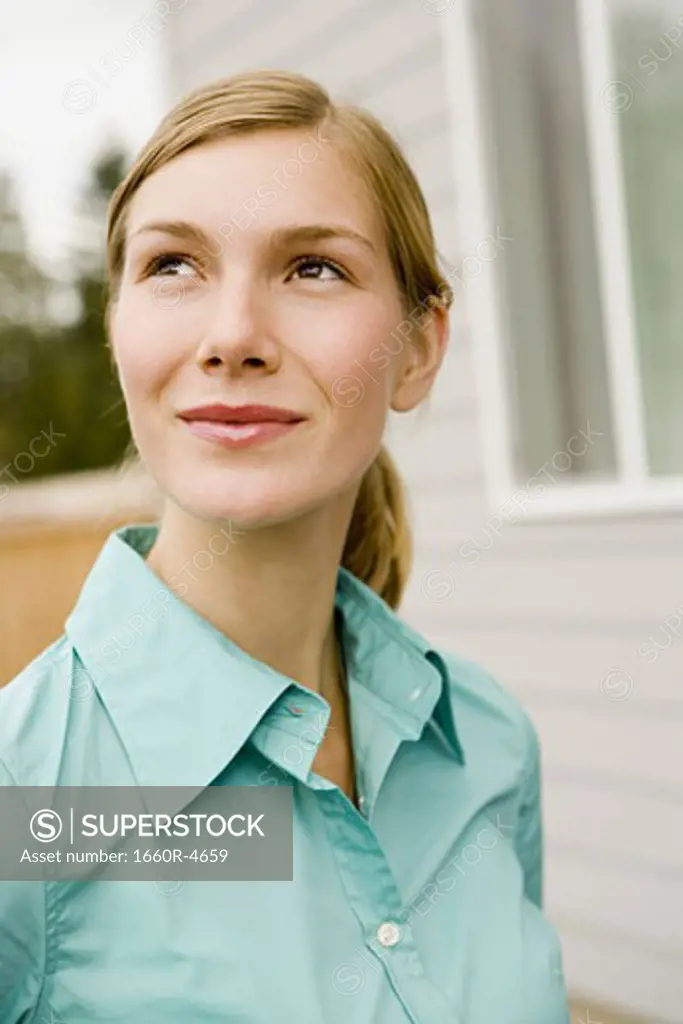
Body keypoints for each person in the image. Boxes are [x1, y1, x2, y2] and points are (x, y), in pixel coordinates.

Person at [0, 69, 570, 1023]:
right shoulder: (30, 801)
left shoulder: (487, 743)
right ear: (118, 331)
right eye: (173, 265)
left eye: (313, 268)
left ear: (420, 348)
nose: (232, 337)